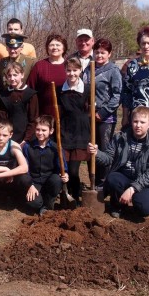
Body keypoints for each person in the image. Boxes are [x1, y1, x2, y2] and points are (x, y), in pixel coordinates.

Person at [88, 106, 149, 218]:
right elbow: (108, 159)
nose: (138, 125)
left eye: (142, 122)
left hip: (143, 181)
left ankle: (139, 199)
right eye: (135, 121)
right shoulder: (120, 138)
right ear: (131, 122)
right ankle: (117, 205)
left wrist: (133, 189)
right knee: (112, 178)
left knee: (144, 209)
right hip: (123, 177)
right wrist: (97, 153)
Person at [82, 38, 122, 187]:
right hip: (89, 115)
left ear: (109, 54)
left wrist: (102, 113)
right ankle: (92, 180)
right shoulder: (88, 68)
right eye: (97, 52)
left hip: (105, 118)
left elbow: (117, 95)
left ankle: (102, 183)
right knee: (90, 149)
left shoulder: (113, 71)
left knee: (103, 151)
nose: (99, 55)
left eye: (103, 53)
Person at [58, 57, 91, 203]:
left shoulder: (88, 88)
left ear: (80, 70)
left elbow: (91, 109)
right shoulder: (60, 89)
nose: (72, 73)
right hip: (65, 131)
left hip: (81, 132)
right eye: (69, 70)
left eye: (75, 70)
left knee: (73, 170)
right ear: (65, 71)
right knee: (64, 169)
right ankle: (67, 194)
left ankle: (76, 195)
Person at [22, 115, 68, 215]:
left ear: (51, 131)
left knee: (56, 180)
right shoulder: (28, 147)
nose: (40, 133)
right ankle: (39, 202)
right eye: (38, 129)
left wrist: (65, 175)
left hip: (49, 181)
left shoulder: (56, 148)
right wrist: (30, 184)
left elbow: (62, 168)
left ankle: (48, 204)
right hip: (34, 182)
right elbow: (25, 169)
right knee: (34, 204)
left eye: (44, 130)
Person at [27, 34, 68, 117]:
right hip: (44, 114)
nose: (55, 47)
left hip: (66, 113)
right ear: (47, 48)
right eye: (51, 45)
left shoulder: (70, 65)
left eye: (58, 45)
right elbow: (30, 89)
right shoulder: (39, 66)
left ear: (64, 48)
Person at [0, 62, 38, 145]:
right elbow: (3, 119)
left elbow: (33, 120)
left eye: (15, 75)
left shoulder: (30, 94)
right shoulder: (3, 95)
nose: (12, 78)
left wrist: (26, 139)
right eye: (9, 75)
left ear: (22, 75)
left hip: (26, 138)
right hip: (8, 137)